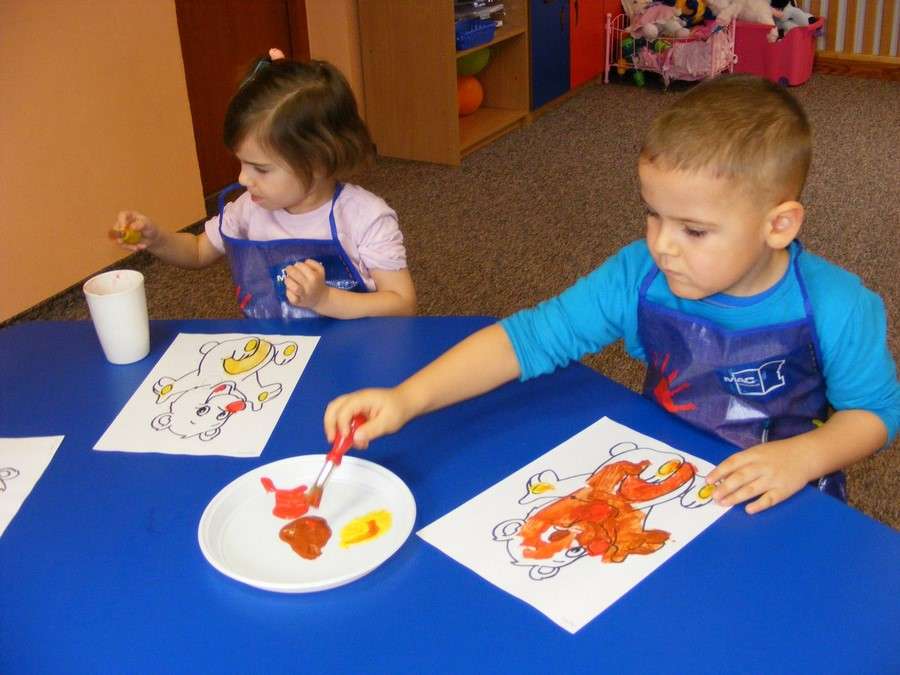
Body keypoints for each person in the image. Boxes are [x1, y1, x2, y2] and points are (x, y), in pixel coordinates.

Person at [323, 75, 899, 515]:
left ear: (779, 225)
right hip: (664, 479)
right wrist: (407, 398)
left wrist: (804, 457)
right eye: (654, 215)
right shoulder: (637, 274)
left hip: (783, 491)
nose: (662, 245)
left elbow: (875, 413)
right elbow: (526, 339)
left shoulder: (840, 306)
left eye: (694, 230)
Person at [111, 49, 415, 319]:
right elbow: (198, 252)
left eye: (261, 169)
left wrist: (326, 300)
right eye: (241, 163)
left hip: (354, 350)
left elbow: (402, 303)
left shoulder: (365, 217)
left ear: (318, 163)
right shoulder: (249, 207)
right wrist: (157, 239)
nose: (243, 179)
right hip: (276, 351)